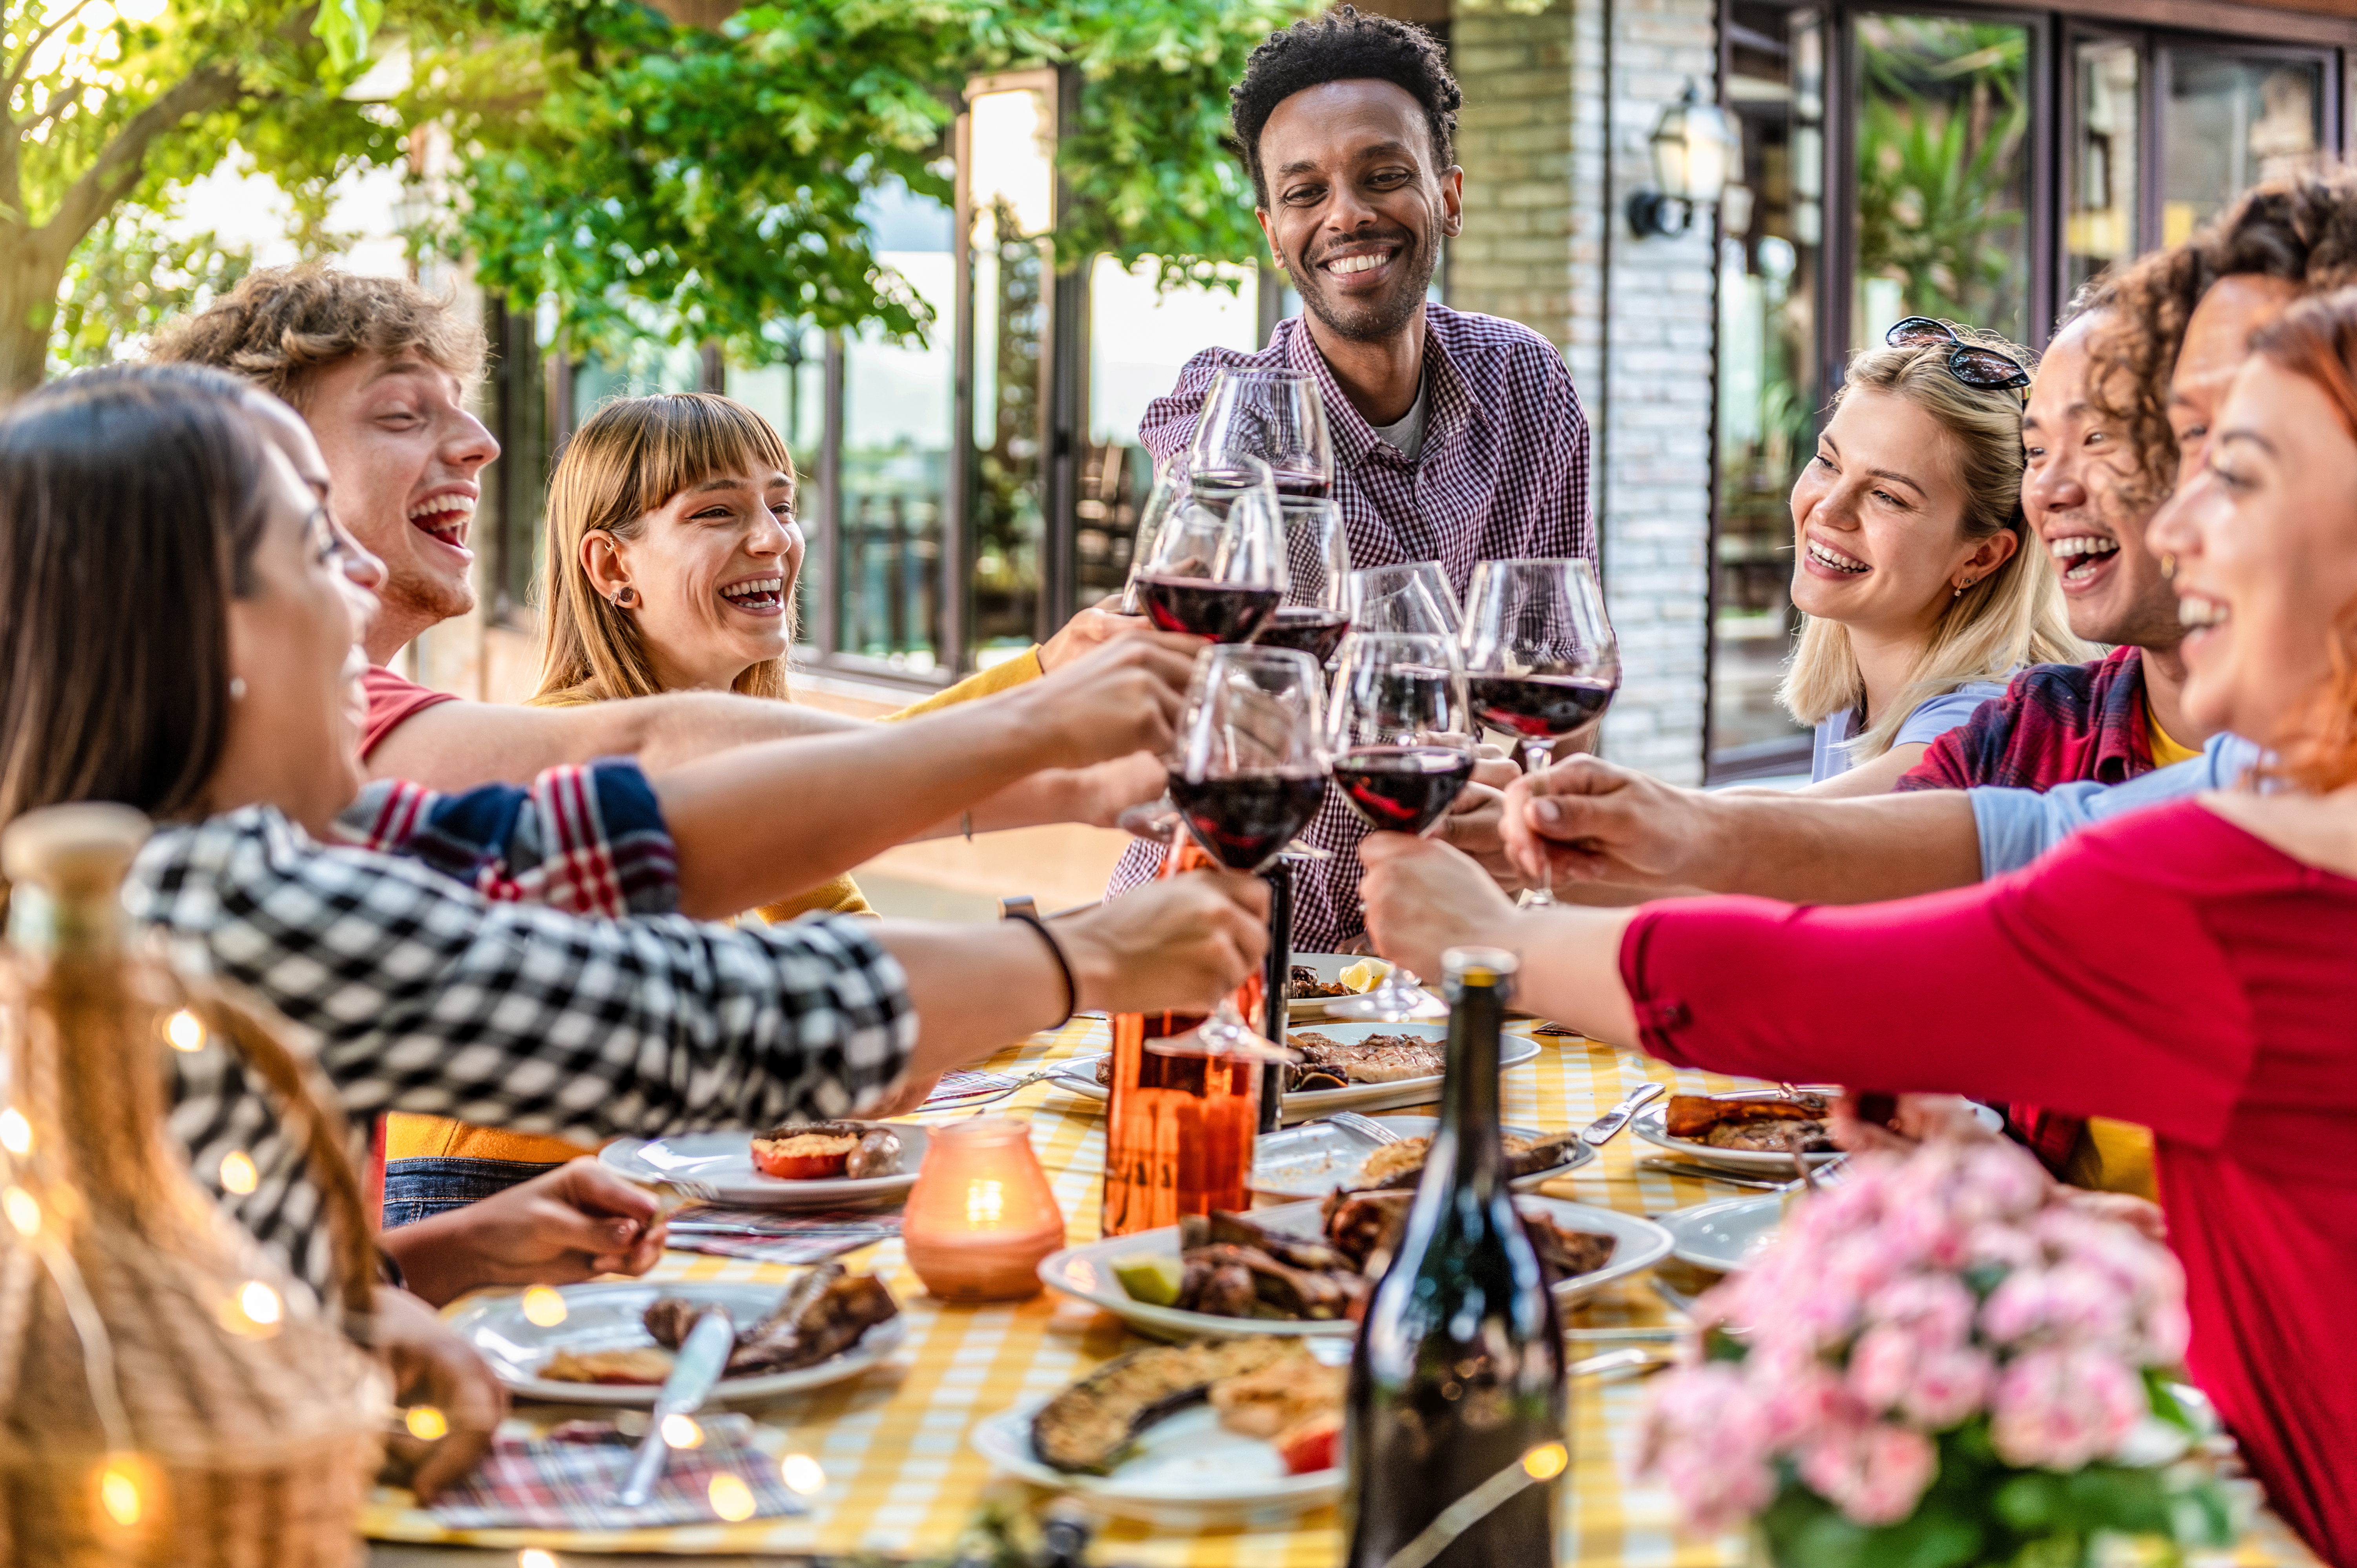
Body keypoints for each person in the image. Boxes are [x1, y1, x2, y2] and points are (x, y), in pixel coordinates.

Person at [1359, 287, 2357, 1567]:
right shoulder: (2209, 796)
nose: (2185, 525)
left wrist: (1495, 946)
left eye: (2230, 472)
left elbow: (1833, 965)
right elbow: (1984, 850)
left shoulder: (2245, 858)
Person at [0, 365, 1270, 1296]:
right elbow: (685, 1013)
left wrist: (424, 1264)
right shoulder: (198, 897)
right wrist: (1081, 956)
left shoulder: (251, 846)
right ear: (198, 628)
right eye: (311, 548)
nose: (364, 587)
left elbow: (617, 845)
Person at [380, 391, 1211, 1212]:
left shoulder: (758, 756)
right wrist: (1038, 691)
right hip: (487, 1194)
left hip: (646, 1182)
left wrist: (1045, 963)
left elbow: (859, 945)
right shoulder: (569, 740)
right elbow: (841, 776)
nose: (772, 538)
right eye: (715, 513)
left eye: (782, 505)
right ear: (611, 568)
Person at [1492, 172, 2357, 912]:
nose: (2055, 488)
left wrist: (1524, 896)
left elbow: (1820, 889)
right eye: (2038, 451)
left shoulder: (1998, 719)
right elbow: (1800, 854)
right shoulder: (2053, 727)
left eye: (2231, 455)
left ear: (1985, 553)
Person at [150, 265, 1143, 795]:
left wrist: (1069, 765)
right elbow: (665, 753)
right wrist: (1047, 714)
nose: (484, 445)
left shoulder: (345, 713)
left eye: (782, 503)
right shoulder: (309, 721)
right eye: (407, 415)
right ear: (263, 466)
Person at [1108, 6, 1581, 950]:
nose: (1347, 215)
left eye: (1384, 175)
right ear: (1272, 231)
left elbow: (1555, 691)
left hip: (1443, 938)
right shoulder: (1229, 408)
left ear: (1449, 194)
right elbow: (1201, 693)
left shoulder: (1526, 384)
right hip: (1226, 929)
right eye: (1305, 191)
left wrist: (1529, 820)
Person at [1768, 325, 2083, 795]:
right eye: (1828, 462)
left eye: (1887, 496)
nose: (1830, 511)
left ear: (1981, 556)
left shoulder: (1983, 724)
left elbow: (1766, 837)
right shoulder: (1855, 697)